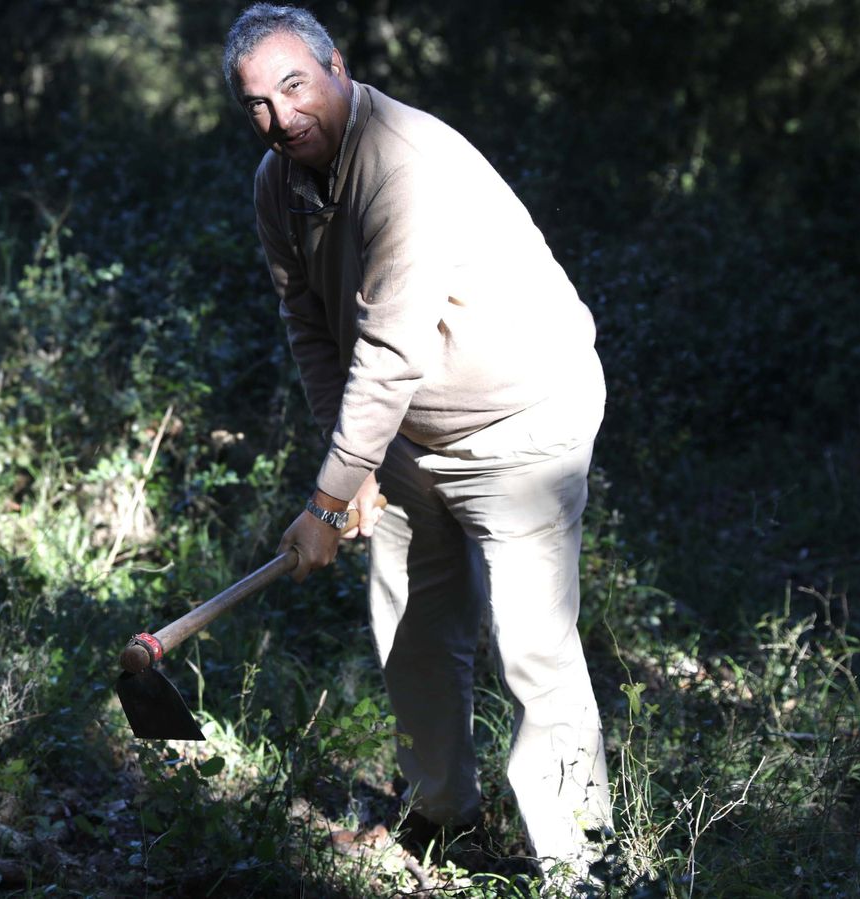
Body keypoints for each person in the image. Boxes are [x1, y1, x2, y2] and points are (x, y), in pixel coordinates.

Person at [222, 3, 614, 890]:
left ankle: (581, 863)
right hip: (403, 433)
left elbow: (394, 349)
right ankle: (440, 815)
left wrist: (323, 504)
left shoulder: (405, 161)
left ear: (337, 66)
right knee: (411, 627)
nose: (282, 116)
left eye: (295, 86)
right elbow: (312, 327)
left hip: (522, 424)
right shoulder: (274, 184)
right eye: (258, 103)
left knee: (533, 644)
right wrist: (349, 470)